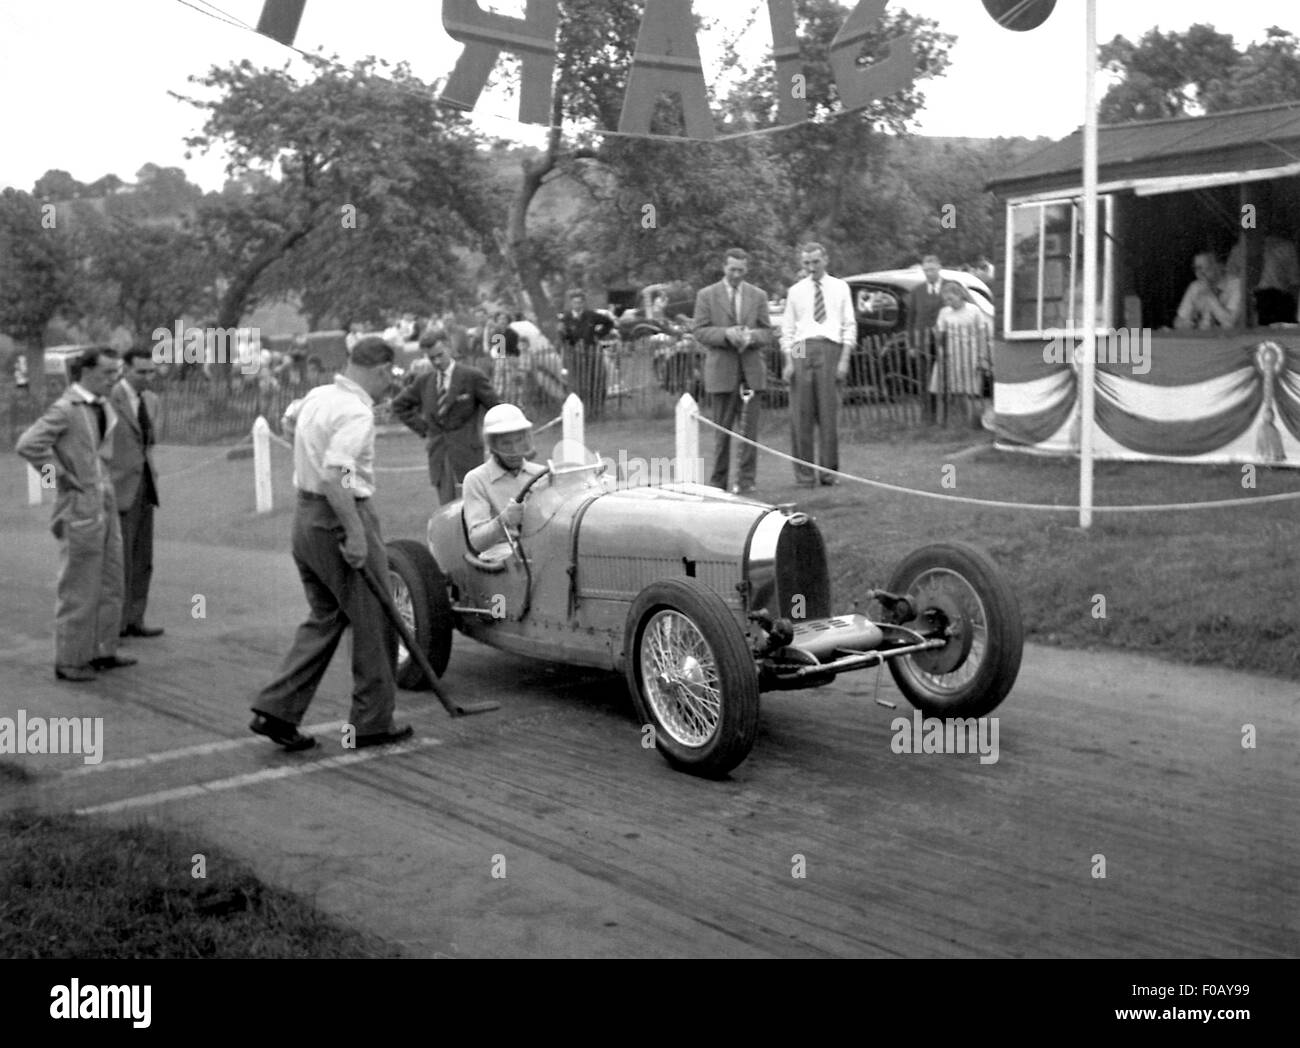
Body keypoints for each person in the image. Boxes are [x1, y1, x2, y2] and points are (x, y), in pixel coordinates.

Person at [248, 337, 410, 752]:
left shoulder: (318, 396)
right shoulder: (356, 411)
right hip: (338, 517)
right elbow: (336, 477)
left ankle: (277, 709)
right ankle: (371, 723)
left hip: (305, 517)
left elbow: (288, 422)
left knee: (326, 616)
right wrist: (355, 533)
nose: (388, 388)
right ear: (379, 370)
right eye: (388, 379)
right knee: (375, 619)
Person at [16, 346, 136, 681]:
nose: (114, 379)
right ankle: (70, 659)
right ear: (86, 371)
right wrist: (59, 479)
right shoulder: (66, 408)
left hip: (105, 500)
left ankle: (102, 649)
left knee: (112, 578)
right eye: (108, 373)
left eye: (116, 373)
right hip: (80, 505)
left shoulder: (101, 406)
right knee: (79, 585)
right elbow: (28, 445)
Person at [692, 247, 773, 494]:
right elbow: (700, 330)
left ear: (746, 269)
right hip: (721, 371)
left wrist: (751, 337)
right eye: (732, 269)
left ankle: (746, 482)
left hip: (750, 370)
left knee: (749, 433)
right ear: (723, 267)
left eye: (741, 270)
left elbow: (768, 331)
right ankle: (719, 483)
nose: (736, 274)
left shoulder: (758, 295)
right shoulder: (706, 295)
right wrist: (725, 334)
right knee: (722, 432)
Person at [390, 332, 499, 506]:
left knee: (476, 507)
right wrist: (424, 428)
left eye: (440, 355)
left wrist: (497, 438)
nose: (437, 362)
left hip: (468, 454)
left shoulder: (472, 376)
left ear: (449, 347)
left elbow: (497, 407)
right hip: (440, 456)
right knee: (448, 510)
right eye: (432, 358)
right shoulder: (424, 382)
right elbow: (398, 405)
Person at [780, 243, 856, 486]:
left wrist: (843, 359)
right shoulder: (795, 291)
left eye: (816, 262)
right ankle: (804, 475)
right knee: (801, 415)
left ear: (825, 260)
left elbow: (849, 326)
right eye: (806, 263)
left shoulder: (840, 287)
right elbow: (789, 330)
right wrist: (789, 362)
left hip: (830, 347)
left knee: (828, 414)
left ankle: (827, 473)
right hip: (802, 349)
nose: (811, 267)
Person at [109, 348, 164, 638]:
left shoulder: (152, 401)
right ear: (125, 369)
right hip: (118, 488)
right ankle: (115, 624)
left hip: (145, 487)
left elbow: (150, 443)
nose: (147, 377)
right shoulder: (109, 398)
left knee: (143, 558)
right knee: (120, 560)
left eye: (151, 371)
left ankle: (135, 619)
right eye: (140, 371)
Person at [462, 404, 548, 554]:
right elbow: (477, 541)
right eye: (506, 444)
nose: (515, 450)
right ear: (493, 446)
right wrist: (504, 520)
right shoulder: (476, 479)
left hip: (541, 548)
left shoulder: (541, 474)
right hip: (502, 555)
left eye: (520, 441)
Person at [933, 281, 994, 427]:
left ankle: (972, 421)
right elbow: (940, 334)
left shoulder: (974, 311)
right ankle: (950, 422)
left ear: (960, 295)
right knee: (949, 389)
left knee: (969, 390)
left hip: (969, 352)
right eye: (946, 300)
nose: (949, 303)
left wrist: (982, 356)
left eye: (951, 299)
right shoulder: (944, 312)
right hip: (950, 353)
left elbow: (982, 334)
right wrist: (938, 339)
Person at [558, 289, 615, 420]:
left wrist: (598, 335)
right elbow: (563, 336)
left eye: (579, 302)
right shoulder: (566, 318)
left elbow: (609, 323)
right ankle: (581, 411)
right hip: (575, 354)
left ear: (583, 303)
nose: (577, 305)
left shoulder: (591, 315)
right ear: (571, 304)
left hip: (591, 352)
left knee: (595, 380)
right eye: (574, 303)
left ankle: (596, 410)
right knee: (578, 382)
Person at [1227, 235, 1300, 325]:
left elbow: (1294, 282)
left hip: (1279, 299)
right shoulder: (1239, 249)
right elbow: (1231, 278)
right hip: (1249, 298)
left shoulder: (1285, 247)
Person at [908, 254, 946, 421]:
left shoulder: (950, 287)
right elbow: (910, 319)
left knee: (946, 376)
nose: (929, 273)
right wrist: (911, 344)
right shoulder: (917, 291)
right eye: (926, 270)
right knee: (925, 378)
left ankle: (947, 414)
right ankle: (928, 415)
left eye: (932, 269)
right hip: (922, 340)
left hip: (944, 340)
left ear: (939, 268)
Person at [1174, 252, 1242, 330]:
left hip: (1232, 340)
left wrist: (1209, 295)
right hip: (1203, 339)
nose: (1199, 273)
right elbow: (1178, 321)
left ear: (1219, 266)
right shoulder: (1195, 286)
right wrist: (1186, 323)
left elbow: (1230, 323)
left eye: (1204, 267)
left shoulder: (1236, 285)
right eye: (1196, 268)